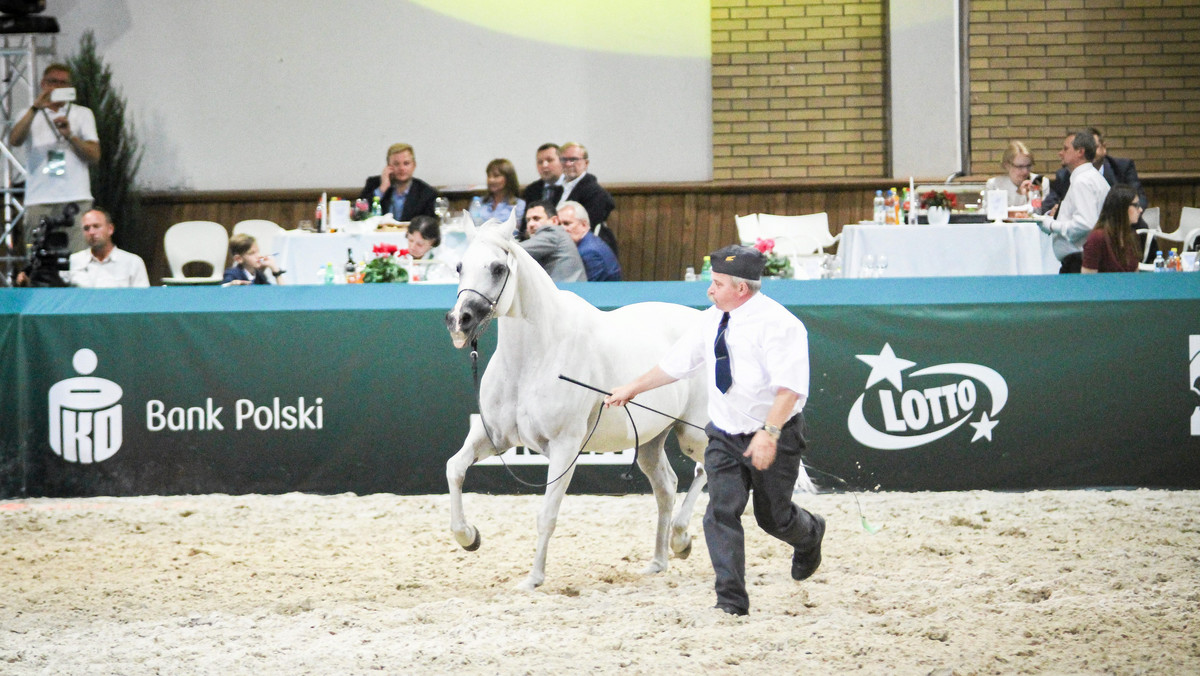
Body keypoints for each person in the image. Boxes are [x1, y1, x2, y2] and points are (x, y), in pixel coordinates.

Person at [604, 245, 822, 617]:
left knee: (774, 518)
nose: (710, 290)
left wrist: (768, 434)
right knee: (719, 512)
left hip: (774, 432)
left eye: (717, 283)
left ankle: (810, 534)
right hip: (723, 433)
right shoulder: (710, 320)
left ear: (742, 289)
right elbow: (676, 365)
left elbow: (790, 389)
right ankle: (731, 601)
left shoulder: (782, 326)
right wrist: (631, 388)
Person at [8, 63, 101, 256]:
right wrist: (35, 107)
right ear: (43, 84)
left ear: (70, 87)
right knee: (37, 259)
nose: (58, 87)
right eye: (52, 82)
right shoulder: (28, 114)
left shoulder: (82, 114)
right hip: (39, 199)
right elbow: (15, 140)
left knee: (78, 259)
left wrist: (70, 136)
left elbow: (94, 155)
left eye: (63, 83)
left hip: (75, 197)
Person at [1035, 130, 1111, 274]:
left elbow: (1085, 223)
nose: (1060, 153)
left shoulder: (1082, 181)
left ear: (1080, 152)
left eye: (1065, 149)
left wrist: (1051, 225)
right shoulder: (1091, 177)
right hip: (1082, 258)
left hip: (1079, 261)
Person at [1042, 127, 1148, 215]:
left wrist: (1122, 218)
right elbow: (1048, 205)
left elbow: (1139, 199)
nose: (1090, 152)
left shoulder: (1122, 168)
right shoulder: (1064, 174)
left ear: (1104, 147)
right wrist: (1053, 211)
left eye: (1093, 147)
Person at [557, 142, 618, 256]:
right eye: (564, 159)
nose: (569, 164)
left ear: (586, 163)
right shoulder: (559, 189)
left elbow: (587, 227)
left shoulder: (595, 192)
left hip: (583, 249)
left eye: (574, 159)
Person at [358, 143, 439, 222]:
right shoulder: (374, 184)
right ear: (388, 166)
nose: (401, 168)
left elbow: (429, 226)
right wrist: (382, 189)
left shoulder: (426, 193)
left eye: (406, 163)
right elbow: (359, 213)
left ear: (414, 166)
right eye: (396, 164)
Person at [519, 200, 586, 283]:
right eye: (528, 220)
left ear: (554, 221)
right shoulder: (557, 234)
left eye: (536, 219)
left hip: (568, 291)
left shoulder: (553, 233)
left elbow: (516, 250)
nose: (531, 224)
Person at [1081, 185, 1142, 274]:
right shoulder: (1097, 238)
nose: (1140, 210)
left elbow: (1135, 275)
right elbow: (1088, 280)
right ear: (1122, 207)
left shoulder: (1132, 236)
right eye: (1136, 205)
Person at [557, 200, 622, 281]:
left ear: (584, 225)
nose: (562, 228)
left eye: (567, 223)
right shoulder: (588, 242)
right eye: (559, 224)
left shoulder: (589, 252)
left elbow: (586, 288)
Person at [986, 141, 1042, 208]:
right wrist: (1019, 194)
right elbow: (988, 212)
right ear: (1007, 166)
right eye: (1020, 167)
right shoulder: (994, 185)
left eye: (1028, 166)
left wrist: (1035, 193)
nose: (1025, 171)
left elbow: (1042, 212)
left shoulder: (1038, 181)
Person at [479, 158, 525, 225]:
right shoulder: (479, 203)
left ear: (508, 178)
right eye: (489, 176)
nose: (491, 180)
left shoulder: (519, 205)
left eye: (496, 176)